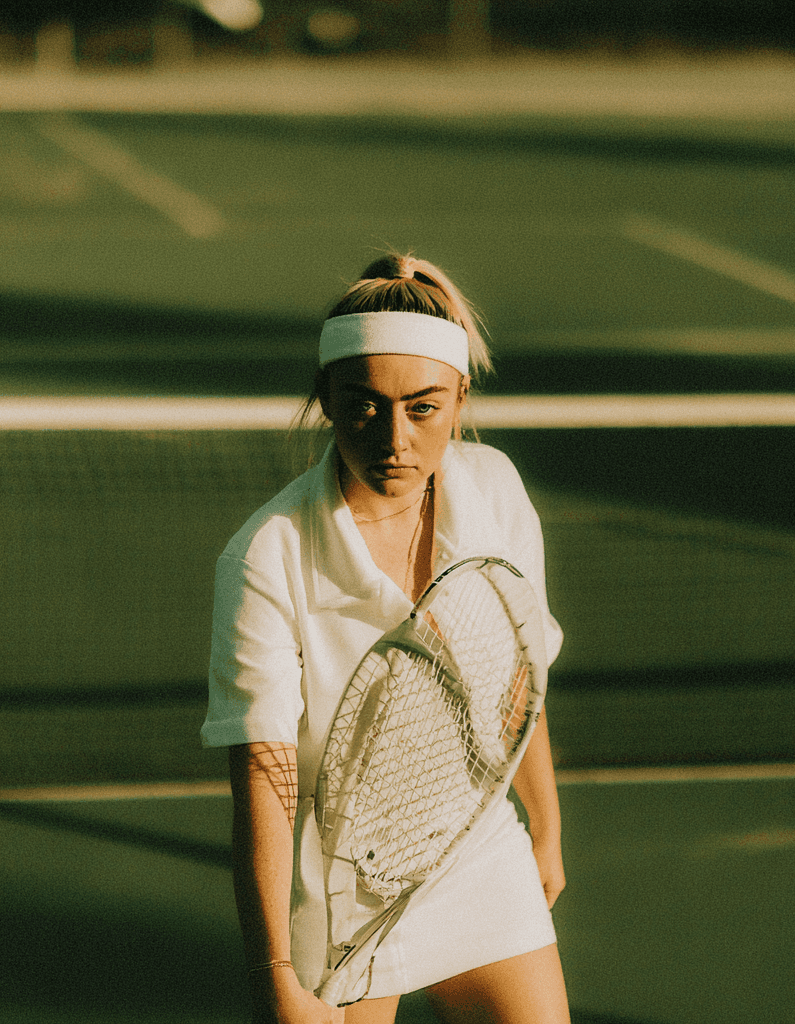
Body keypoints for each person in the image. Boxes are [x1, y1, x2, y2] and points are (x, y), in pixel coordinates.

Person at [201, 253, 571, 1024]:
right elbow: (265, 781)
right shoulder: (266, 555)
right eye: (364, 406)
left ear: (460, 398)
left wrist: (547, 824)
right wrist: (274, 972)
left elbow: (519, 679)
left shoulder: (496, 489)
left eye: (422, 408)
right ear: (326, 400)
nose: (394, 438)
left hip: (475, 846)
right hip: (340, 884)